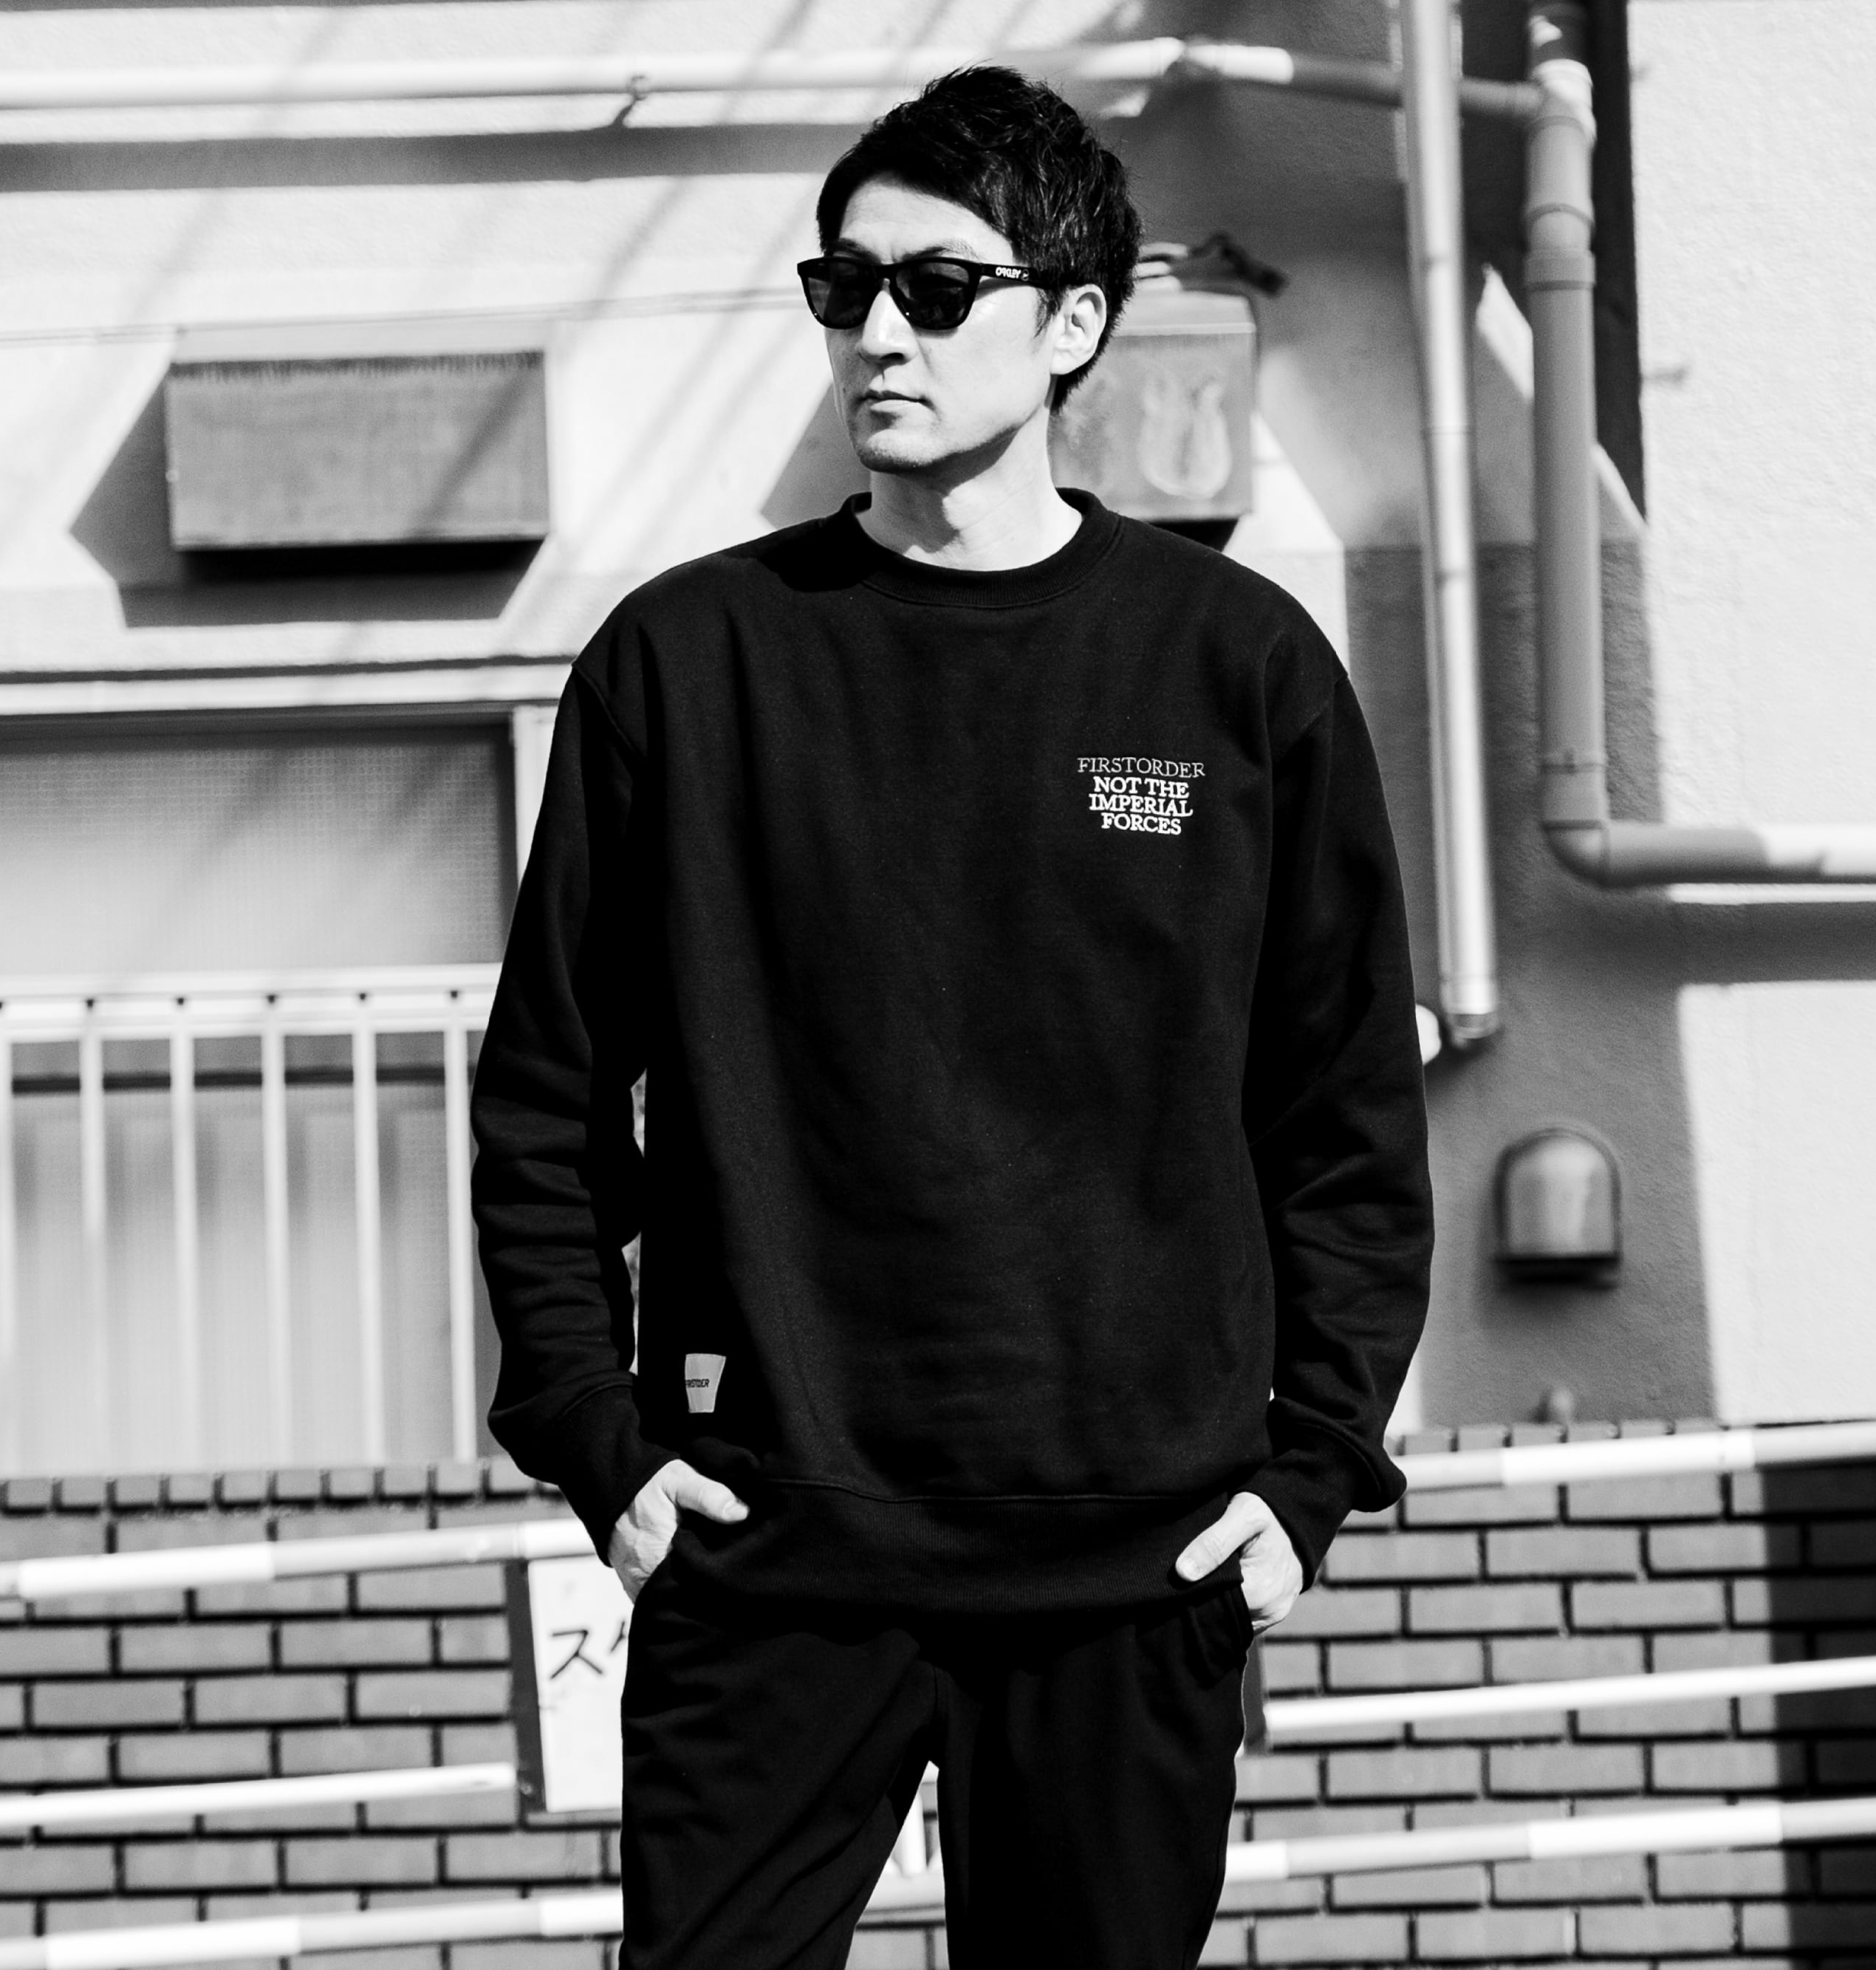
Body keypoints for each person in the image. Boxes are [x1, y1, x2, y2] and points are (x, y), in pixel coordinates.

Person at [473, 63, 1431, 1970]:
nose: (877, 334)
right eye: (844, 287)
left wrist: (1311, 1465)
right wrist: (595, 1436)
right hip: (767, 1544)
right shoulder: (688, 663)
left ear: (1074, 324)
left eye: (935, 289)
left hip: (1133, 1555)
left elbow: (1342, 1116)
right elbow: (548, 1103)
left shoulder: (1233, 667)